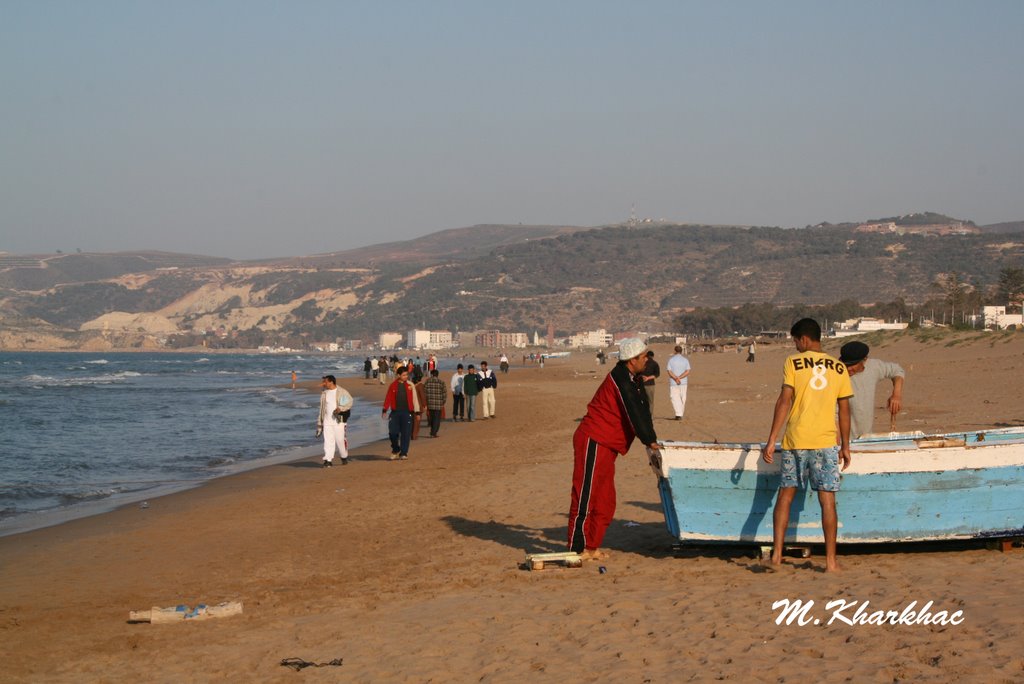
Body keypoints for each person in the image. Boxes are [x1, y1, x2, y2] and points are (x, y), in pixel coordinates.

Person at [761, 318, 852, 573]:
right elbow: (844, 410)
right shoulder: (839, 367)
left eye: (795, 341)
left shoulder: (793, 362)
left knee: (786, 496)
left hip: (796, 440)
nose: (795, 345)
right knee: (828, 502)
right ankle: (831, 562)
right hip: (826, 442)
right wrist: (845, 445)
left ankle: (777, 555)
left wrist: (771, 440)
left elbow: (784, 401)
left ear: (803, 339)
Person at [567, 337, 659, 561]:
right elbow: (633, 413)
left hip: (610, 445)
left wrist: (652, 439)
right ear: (631, 360)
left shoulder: (633, 377)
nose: (646, 359)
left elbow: (643, 409)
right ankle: (576, 548)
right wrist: (649, 440)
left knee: (606, 500)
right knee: (586, 495)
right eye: (643, 356)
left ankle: (591, 546)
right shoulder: (619, 378)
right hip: (594, 439)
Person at [839, 341, 905, 438]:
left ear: (864, 360)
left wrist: (896, 394)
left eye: (852, 365)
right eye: (846, 364)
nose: (848, 369)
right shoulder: (835, 371)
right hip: (841, 439)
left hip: (865, 437)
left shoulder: (874, 367)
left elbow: (897, 370)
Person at [382, 366, 418, 460]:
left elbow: (415, 399)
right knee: (392, 433)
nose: (406, 376)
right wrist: (384, 410)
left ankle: (404, 453)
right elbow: (388, 398)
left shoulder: (410, 385)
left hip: (407, 412)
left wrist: (417, 412)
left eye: (407, 374)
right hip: (395, 413)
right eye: (404, 375)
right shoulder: (393, 385)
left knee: (405, 434)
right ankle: (395, 448)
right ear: (398, 375)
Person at [317, 375, 354, 467]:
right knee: (328, 441)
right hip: (327, 421)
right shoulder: (324, 393)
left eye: (325, 382)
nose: (324, 383)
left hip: (339, 420)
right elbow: (322, 409)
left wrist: (340, 408)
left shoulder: (341, 391)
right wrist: (320, 422)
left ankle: (344, 456)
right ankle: (328, 460)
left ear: (331, 382)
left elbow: (349, 402)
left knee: (340, 440)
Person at [666, 345, 691, 421]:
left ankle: (678, 414)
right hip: (683, 382)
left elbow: (669, 371)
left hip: (674, 382)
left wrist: (676, 378)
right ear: (681, 351)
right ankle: (679, 414)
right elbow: (687, 371)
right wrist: (679, 377)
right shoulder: (685, 360)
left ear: (675, 351)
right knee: (683, 398)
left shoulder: (671, 360)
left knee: (674, 398)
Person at [424, 369, 447, 437]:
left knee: (432, 418)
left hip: (430, 403)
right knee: (437, 419)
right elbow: (444, 394)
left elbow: (424, 392)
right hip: (438, 404)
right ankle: (433, 432)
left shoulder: (427, 382)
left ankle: (432, 431)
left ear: (431, 374)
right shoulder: (441, 382)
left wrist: (426, 401)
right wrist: (443, 402)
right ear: (437, 375)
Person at [412, 375, 428, 440]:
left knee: (413, 421)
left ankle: (412, 434)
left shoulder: (412, 386)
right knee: (417, 422)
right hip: (418, 406)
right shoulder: (420, 386)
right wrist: (425, 405)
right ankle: (414, 435)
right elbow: (423, 396)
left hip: (412, 406)